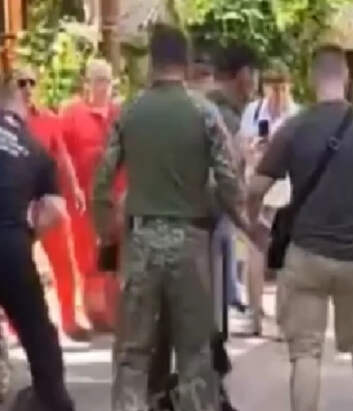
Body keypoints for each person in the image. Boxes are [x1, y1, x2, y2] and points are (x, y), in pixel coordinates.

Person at [93, 24, 252, 411]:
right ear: (186, 62)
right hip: (191, 246)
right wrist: (246, 222)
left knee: (133, 356)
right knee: (195, 355)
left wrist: (107, 232)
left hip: (141, 246)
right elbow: (228, 181)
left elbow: (101, 182)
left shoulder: (130, 112)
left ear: (152, 61)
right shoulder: (204, 113)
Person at [247, 46, 353, 411]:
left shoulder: (294, 128)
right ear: (346, 77)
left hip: (305, 254)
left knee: (305, 353)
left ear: (311, 78)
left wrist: (255, 225)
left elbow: (254, 190)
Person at [0, 78, 75, 411]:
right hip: (12, 245)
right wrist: (27, 234)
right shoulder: (35, 148)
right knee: (36, 330)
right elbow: (55, 211)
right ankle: (51, 397)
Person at [14, 66, 92, 340]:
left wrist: (75, 188)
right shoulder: (4, 122)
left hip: (47, 201)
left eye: (31, 82)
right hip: (15, 204)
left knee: (64, 263)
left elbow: (62, 156)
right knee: (17, 266)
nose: (27, 88)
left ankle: (70, 319)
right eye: (20, 83)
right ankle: (17, 326)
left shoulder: (48, 119)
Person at [239, 59, 300, 335]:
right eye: (272, 88)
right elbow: (242, 146)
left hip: (286, 193)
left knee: (284, 257)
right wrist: (253, 150)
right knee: (255, 253)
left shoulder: (296, 116)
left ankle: (283, 320)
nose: (276, 95)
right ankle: (254, 316)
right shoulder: (253, 112)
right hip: (258, 191)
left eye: (281, 88)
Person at [61, 58, 122, 331]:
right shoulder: (72, 114)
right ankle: (93, 312)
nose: (102, 87)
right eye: (98, 80)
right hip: (84, 198)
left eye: (106, 81)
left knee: (112, 255)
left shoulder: (119, 114)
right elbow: (62, 154)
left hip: (115, 197)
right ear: (87, 83)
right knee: (86, 256)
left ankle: (111, 313)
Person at [207, 43, 260, 330]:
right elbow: (228, 172)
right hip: (213, 210)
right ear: (243, 75)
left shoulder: (209, 106)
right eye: (255, 75)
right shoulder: (224, 116)